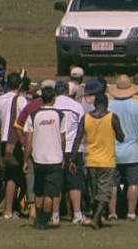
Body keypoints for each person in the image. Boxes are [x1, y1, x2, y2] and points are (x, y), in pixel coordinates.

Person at [70, 92, 124, 229]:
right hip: (107, 161)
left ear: (94, 104)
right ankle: (96, 218)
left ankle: (97, 217)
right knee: (104, 193)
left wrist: (73, 158)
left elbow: (78, 139)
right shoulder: (112, 117)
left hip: (91, 160)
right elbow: (121, 137)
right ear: (106, 104)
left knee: (94, 192)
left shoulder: (86, 118)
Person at [108, 75, 138, 221]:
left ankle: (112, 212)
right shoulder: (137, 105)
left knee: (113, 184)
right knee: (133, 183)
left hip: (113, 150)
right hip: (133, 151)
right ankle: (131, 212)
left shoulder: (110, 105)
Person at [23, 86, 66, 229]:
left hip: (38, 158)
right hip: (55, 158)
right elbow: (63, 138)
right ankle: (43, 221)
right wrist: (63, 155)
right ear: (53, 99)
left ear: (41, 99)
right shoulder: (60, 115)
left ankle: (39, 219)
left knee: (39, 191)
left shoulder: (33, 115)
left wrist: (25, 160)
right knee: (51, 193)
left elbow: (28, 142)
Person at [14, 80, 55, 220]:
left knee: (31, 179)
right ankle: (48, 211)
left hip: (31, 148)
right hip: (49, 149)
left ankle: (32, 209)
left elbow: (18, 125)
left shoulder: (30, 106)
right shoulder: (54, 108)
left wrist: (24, 143)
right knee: (47, 180)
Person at [0, 72, 28, 219]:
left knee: (7, 176)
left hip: (3, 140)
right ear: (19, 85)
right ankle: (9, 210)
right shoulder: (22, 100)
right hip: (15, 141)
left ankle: (8, 207)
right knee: (14, 177)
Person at [53, 80, 89, 225]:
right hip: (73, 149)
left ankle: (55, 215)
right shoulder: (77, 106)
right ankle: (77, 214)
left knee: (56, 184)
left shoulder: (52, 105)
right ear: (68, 91)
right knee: (75, 183)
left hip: (55, 149)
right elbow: (81, 130)